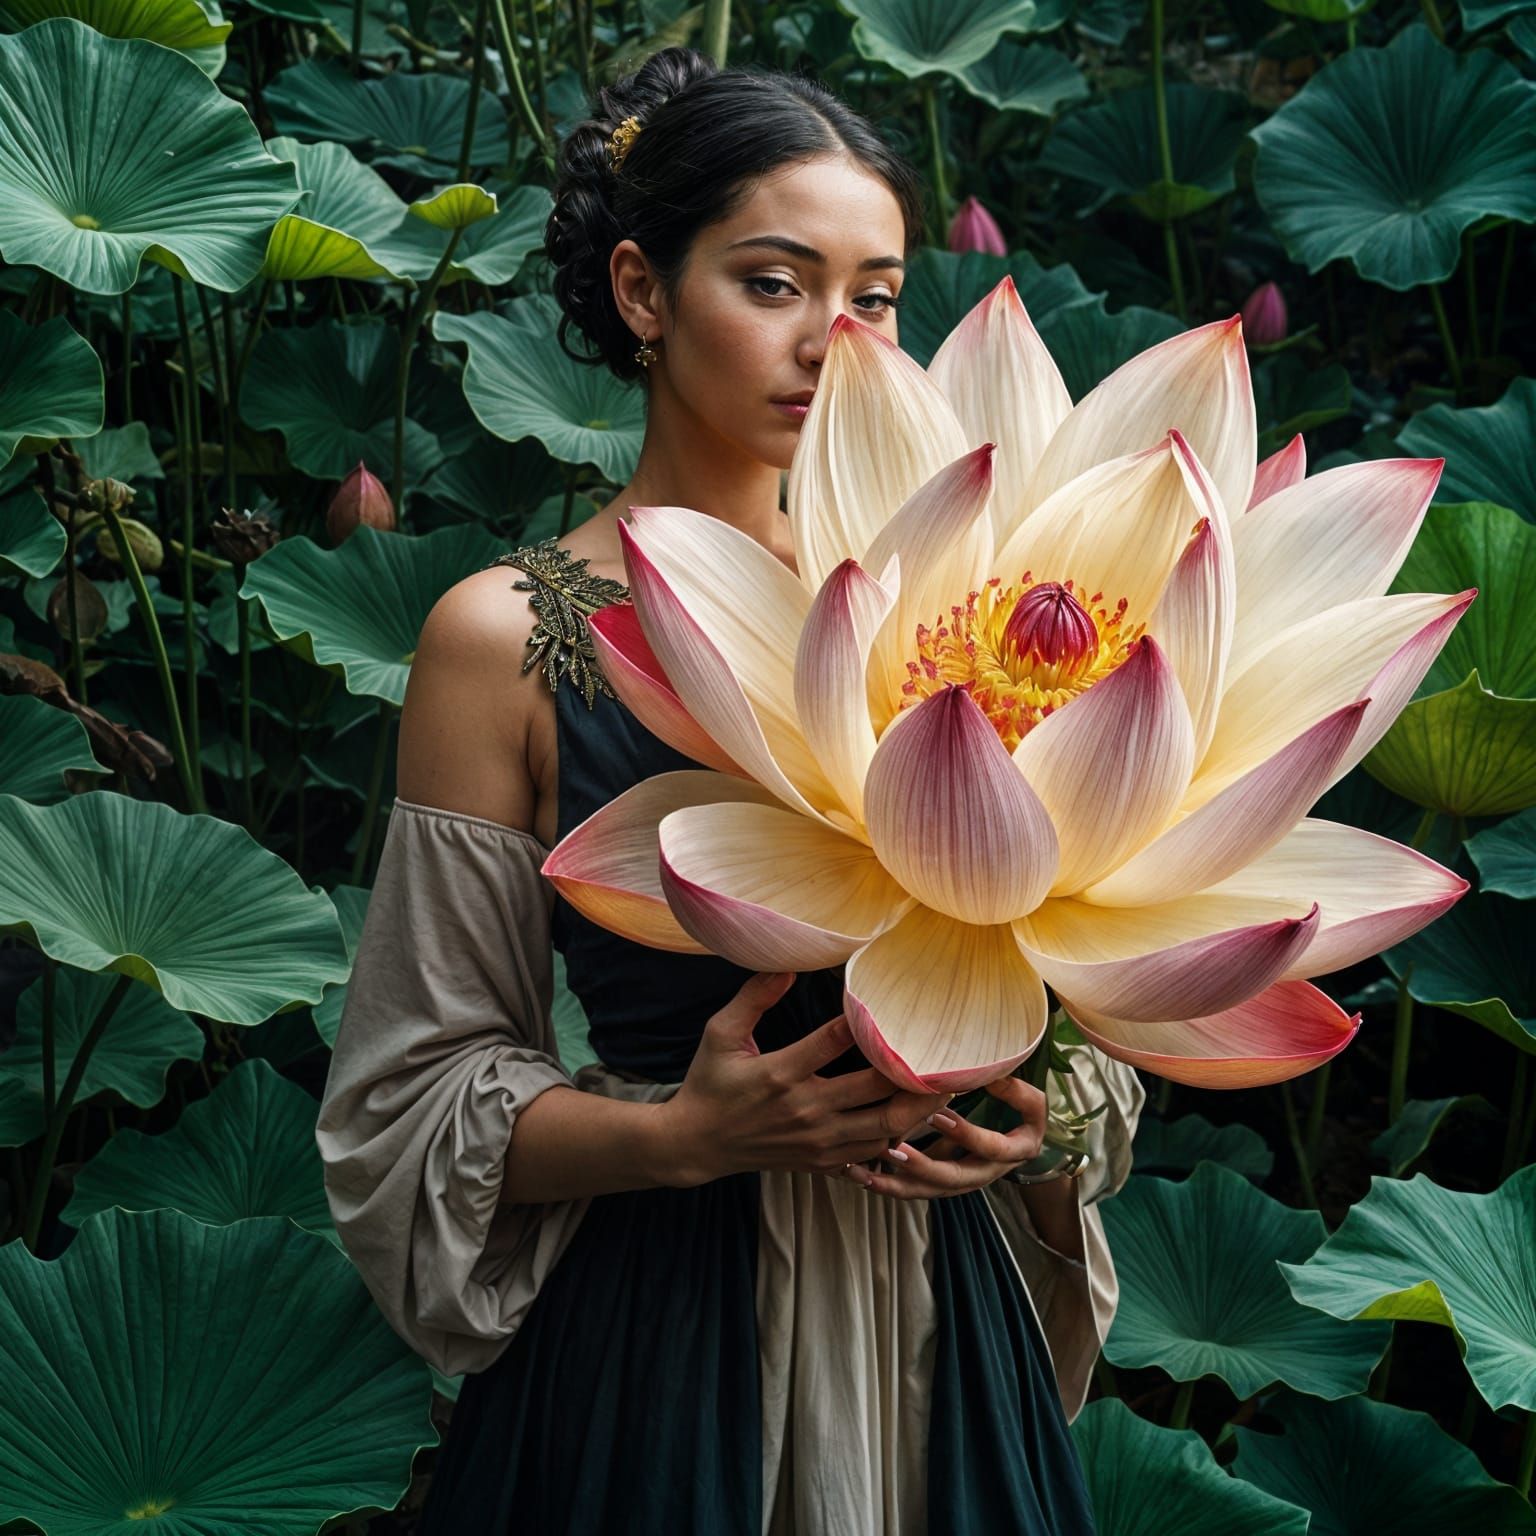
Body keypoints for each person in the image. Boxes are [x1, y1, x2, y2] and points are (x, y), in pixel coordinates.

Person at [315, 44, 1145, 1535]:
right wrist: (679, 1138)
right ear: (642, 292)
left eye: (877, 296)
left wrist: (1047, 1125)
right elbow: (409, 1095)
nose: (837, 339)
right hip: (649, 1332)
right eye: (775, 283)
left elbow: (1089, 966)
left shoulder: (969, 597)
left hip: (945, 1324)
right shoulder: (504, 638)